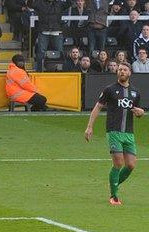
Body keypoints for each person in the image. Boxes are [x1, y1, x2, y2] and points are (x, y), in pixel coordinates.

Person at [84, 62, 144, 205]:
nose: (121, 72)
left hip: (129, 133)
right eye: (120, 69)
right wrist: (89, 126)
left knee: (130, 165)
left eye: (124, 70)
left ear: (130, 73)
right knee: (118, 163)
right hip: (114, 131)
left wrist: (141, 113)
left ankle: (114, 183)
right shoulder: (109, 90)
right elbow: (98, 107)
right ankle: (114, 196)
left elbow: (137, 111)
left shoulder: (135, 92)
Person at [28, 0, 71, 71]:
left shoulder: (59, 3)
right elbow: (30, 4)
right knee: (41, 53)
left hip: (57, 31)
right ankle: (39, 70)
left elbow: (69, 3)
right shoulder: (40, 3)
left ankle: (62, 70)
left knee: (60, 52)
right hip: (44, 31)